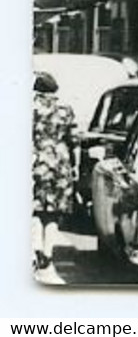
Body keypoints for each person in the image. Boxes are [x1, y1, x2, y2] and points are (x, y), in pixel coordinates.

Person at [32, 72, 77, 282]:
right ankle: (47, 256)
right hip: (59, 164)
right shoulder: (65, 110)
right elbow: (73, 140)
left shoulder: (31, 109)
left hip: (34, 162)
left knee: (34, 209)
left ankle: (36, 249)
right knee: (53, 213)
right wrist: (74, 166)